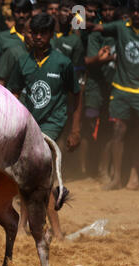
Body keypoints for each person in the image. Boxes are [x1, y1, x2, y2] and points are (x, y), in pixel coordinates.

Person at [8, 13, 82, 240]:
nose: (38, 37)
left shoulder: (63, 62)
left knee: (43, 175)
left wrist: (75, 129)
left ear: (51, 35)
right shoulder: (23, 62)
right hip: (28, 125)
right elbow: (13, 93)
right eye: (34, 33)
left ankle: (55, 229)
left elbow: (76, 95)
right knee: (25, 176)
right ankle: (23, 225)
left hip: (52, 125)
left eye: (43, 33)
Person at [87, 0, 139, 190]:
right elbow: (95, 27)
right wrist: (76, 19)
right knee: (118, 132)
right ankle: (116, 178)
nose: (137, 15)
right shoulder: (121, 27)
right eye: (134, 11)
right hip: (121, 90)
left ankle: (134, 177)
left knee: (137, 135)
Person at [81, 0, 117, 179]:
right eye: (106, 9)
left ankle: (104, 169)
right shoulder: (96, 33)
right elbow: (89, 59)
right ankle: (87, 168)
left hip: (115, 88)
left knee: (109, 129)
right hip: (94, 86)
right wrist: (106, 59)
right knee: (89, 126)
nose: (109, 12)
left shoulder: (120, 31)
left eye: (112, 9)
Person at [0, 0, 32, 80]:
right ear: (12, 13)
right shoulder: (2, 38)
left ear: (31, 12)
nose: (21, 15)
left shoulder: (38, 38)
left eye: (25, 11)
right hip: (6, 88)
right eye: (17, 12)